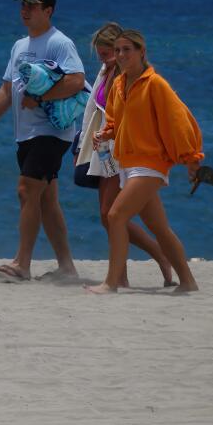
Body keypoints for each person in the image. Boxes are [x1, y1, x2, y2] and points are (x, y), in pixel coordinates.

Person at [0, 0, 83, 282]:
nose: (25, 10)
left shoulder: (59, 42)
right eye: (22, 5)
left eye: (32, 6)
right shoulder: (20, 46)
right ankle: (67, 268)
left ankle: (22, 264)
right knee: (46, 200)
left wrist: (41, 98)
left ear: (48, 11)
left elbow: (76, 81)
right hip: (25, 134)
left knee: (26, 190)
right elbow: (7, 89)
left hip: (51, 132)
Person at [86, 30, 202, 294]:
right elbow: (116, 121)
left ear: (141, 52)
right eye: (118, 50)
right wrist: (105, 133)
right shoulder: (119, 84)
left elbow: (179, 122)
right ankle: (188, 281)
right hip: (128, 163)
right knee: (159, 227)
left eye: (127, 50)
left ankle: (111, 283)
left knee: (115, 215)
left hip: (151, 163)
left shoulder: (155, 84)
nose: (121, 55)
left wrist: (192, 158)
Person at [74, 22, 174, 287]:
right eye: (103, 53)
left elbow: (127, 114)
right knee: (115, 216)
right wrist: (81, 144)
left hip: (120, 152)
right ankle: (137, 270)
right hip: (105, 150)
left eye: (109, 52)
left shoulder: (126, 76)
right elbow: (91, 109)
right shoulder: (106, 71)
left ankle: (152, 262)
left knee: (112, 214)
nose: (106, 58)